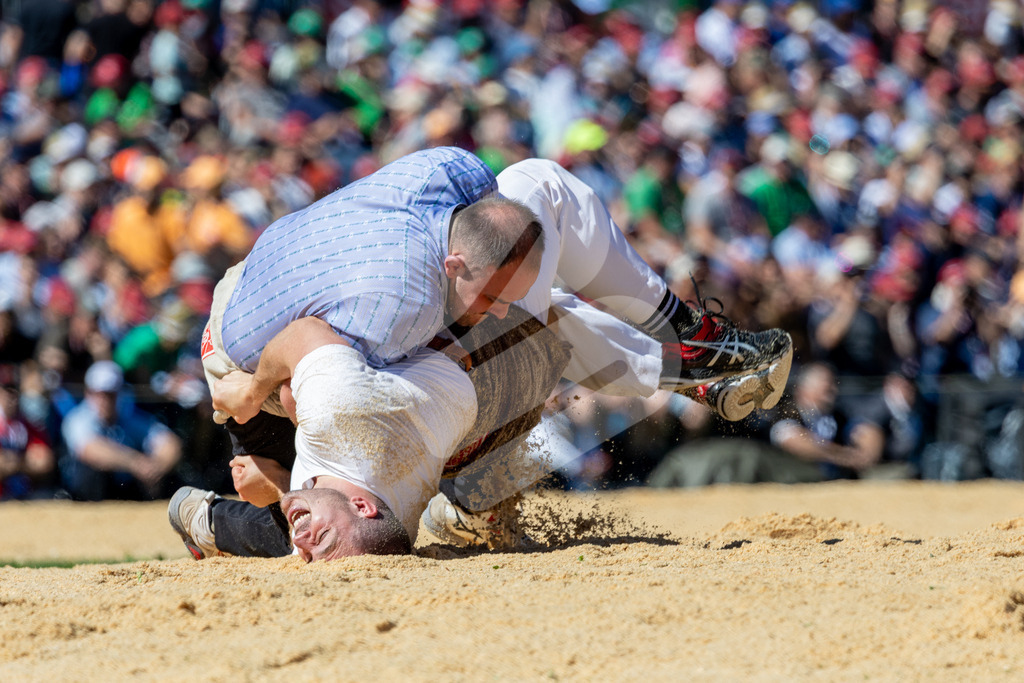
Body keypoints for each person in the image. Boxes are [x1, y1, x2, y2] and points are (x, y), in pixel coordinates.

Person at [172, 303, 573, 560]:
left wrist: (281, 488)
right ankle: (215, 521)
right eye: (321, 540)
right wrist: (255, 395)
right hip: (264, 329)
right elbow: (296, 369)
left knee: (293, 537)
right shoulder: (344, 414)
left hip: (360, 389)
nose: (306, 543)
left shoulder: (381, 529)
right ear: (365, 506)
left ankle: (211, 522)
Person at [61, 360, 182, 500]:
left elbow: (169, 442)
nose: (105, 400)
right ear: (88, 393)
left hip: (126, 490)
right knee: (92, 472)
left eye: (110, 394)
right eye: (99, 394)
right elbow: (91, 451)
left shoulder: (129, 416)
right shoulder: (77, 420)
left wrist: (156, 467)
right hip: (86, 493)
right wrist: (135, 463)